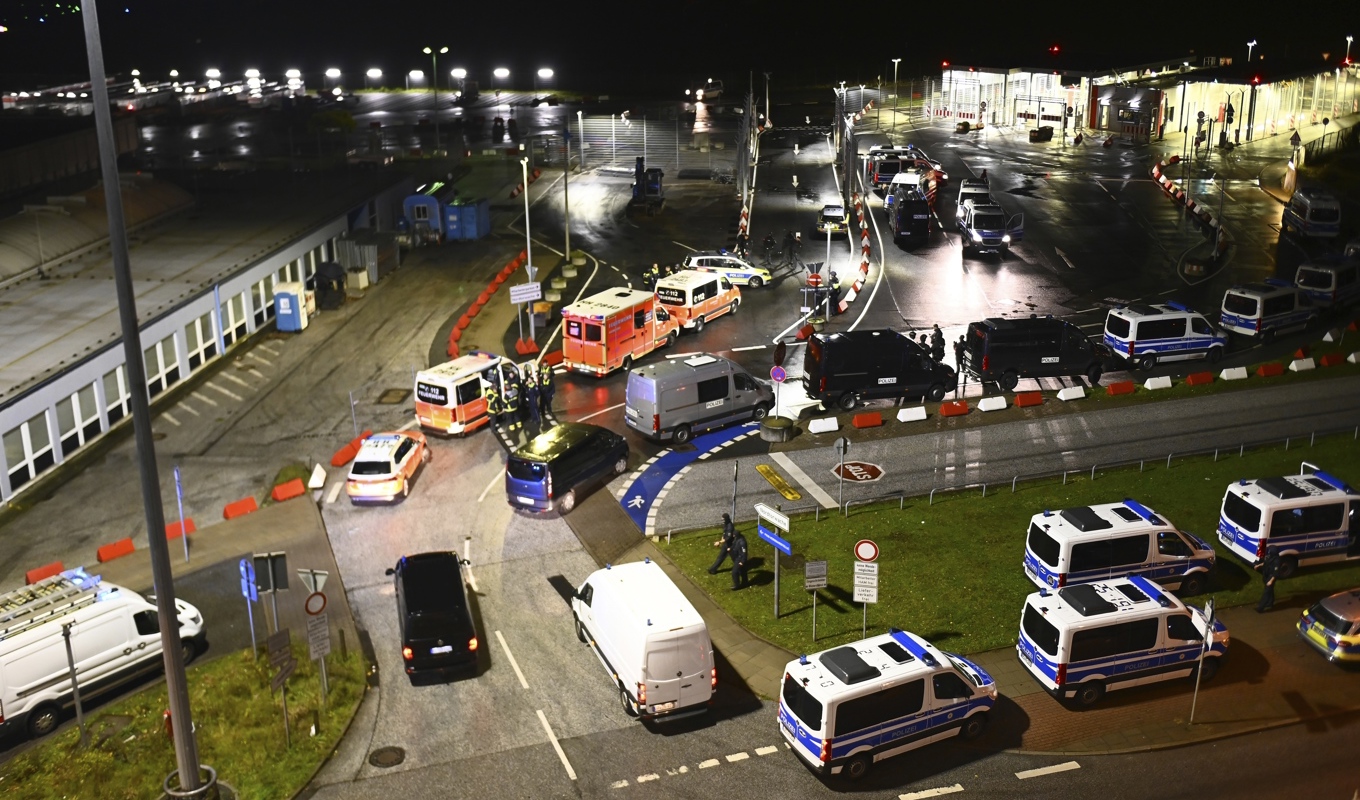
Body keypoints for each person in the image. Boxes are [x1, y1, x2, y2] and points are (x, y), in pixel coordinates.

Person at [1256, 546, 1281, 612]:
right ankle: (1270, 602)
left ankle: (1260, 608)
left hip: (1271, 577)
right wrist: (1258, 565)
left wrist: (1271, 581)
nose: (1268, 552)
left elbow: (1276, 572)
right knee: (1270, 590)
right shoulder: (1270, 557)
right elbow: (1266, 563)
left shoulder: (1277, 561)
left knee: (1267, 592)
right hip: (1266, 575)